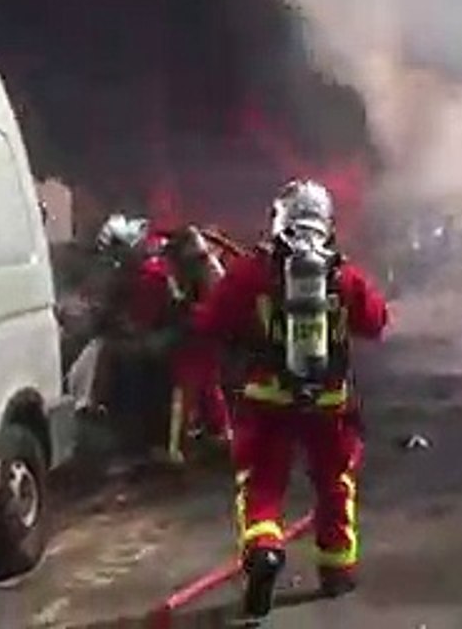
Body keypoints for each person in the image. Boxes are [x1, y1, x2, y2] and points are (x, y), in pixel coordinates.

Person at [192, 179, 389, 618]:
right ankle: (336, 570)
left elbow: (210, 321)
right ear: (327, 222)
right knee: (335, 482)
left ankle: (264, 549)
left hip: (267, 398)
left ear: (279, 219)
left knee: (262, 484)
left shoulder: (251, 273)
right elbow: (377, 321)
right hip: (329, 401)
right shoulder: (342, 273)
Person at [94, 214, 228, 465]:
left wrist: (149, 334)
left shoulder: (162, 274)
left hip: (192, 337)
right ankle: (214, 434)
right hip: (194, 335)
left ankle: (173, 449)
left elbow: (179, 312)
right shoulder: (182, 269)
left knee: (184, 387)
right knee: (205, 386)